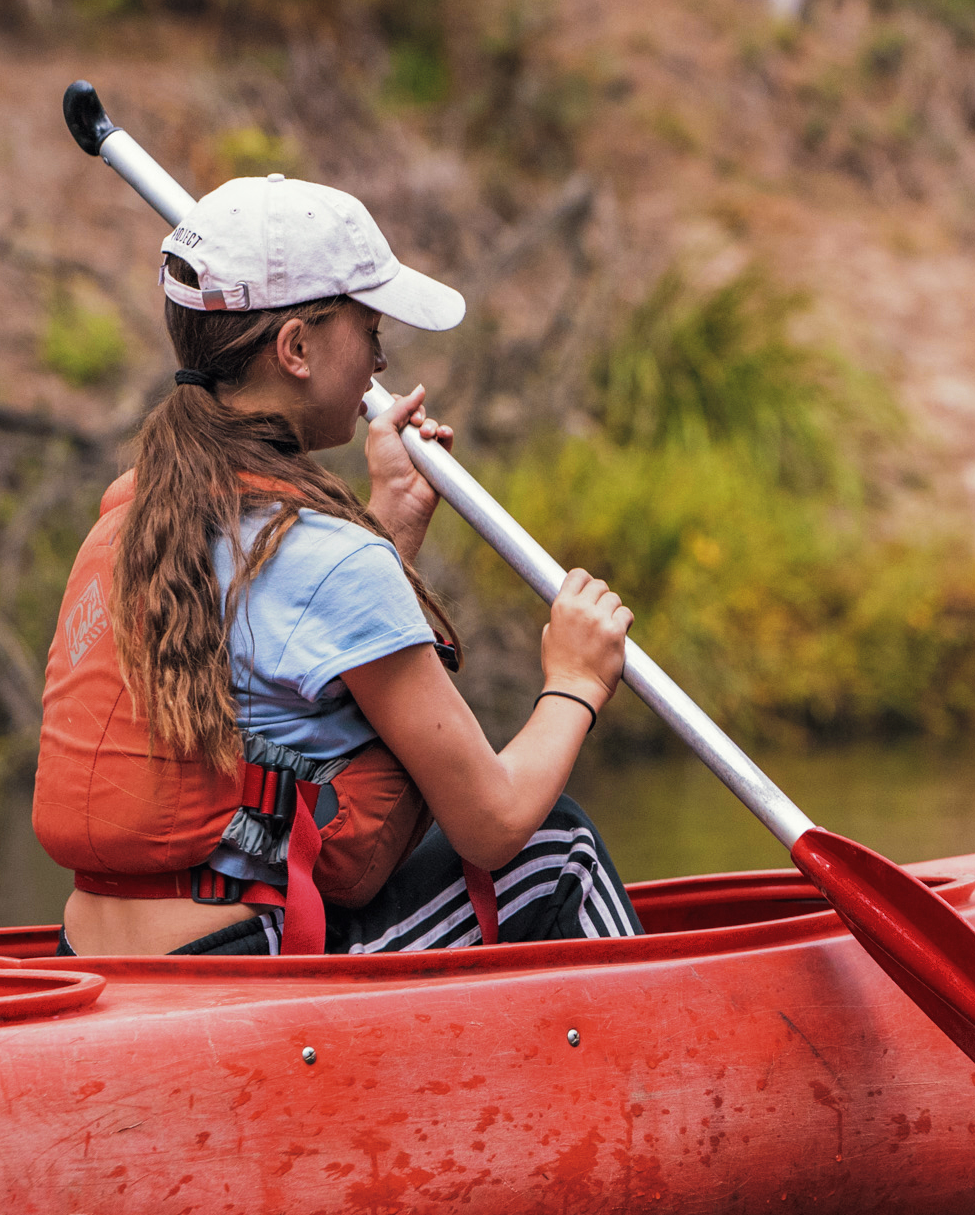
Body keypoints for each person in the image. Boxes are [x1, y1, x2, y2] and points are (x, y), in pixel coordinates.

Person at [34, 170, 640, 958]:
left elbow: (281, 647)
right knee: (559, 852)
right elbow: (492, 824)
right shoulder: (327, 558)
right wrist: (576, 679)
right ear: (295, 349)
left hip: (96, 957)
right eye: (367, 327)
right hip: (241, 971)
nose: (381, 353)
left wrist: (389, 521)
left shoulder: (139, 511)